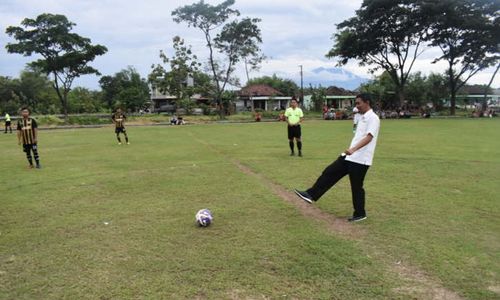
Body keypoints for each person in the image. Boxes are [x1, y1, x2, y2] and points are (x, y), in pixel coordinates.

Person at [294, 94, 380, 222]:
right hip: (350, 157)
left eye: (358, 103)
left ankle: (360, 213)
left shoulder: (373, 118)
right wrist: (356, 118)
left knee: (356, 187)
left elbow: (369, 137)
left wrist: (353, 149)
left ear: (367, 102)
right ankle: (311, 194)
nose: (356, 106)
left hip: (361, 159)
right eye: (355, 103)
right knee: (329, 172)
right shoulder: (360, 117)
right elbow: (355, 131)